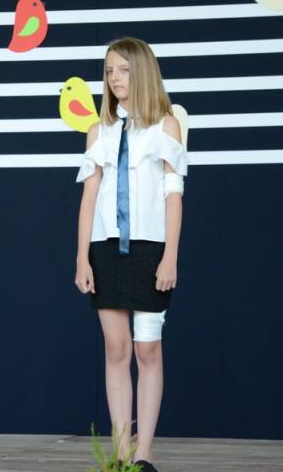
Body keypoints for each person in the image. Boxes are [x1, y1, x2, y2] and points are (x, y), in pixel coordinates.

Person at [74, 37, 187, 472]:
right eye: (108, 71)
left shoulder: (166, 127)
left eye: (122, 69)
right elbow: (89, 199)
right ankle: (122, 453)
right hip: (105, 249)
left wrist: (170, 256)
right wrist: (82, 258)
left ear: (142, 72)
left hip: (150, 249)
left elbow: (174, 196)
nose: (114, 78)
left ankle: (145, 453)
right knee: (116, 348)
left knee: (148, 349)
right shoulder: (99, 132)